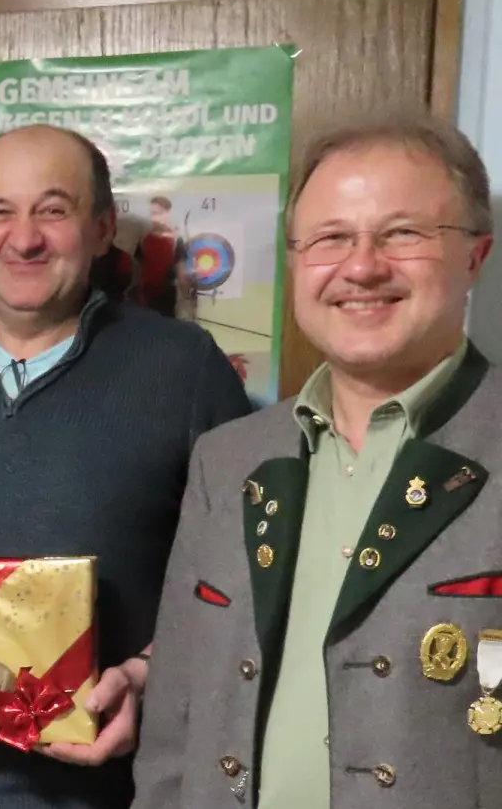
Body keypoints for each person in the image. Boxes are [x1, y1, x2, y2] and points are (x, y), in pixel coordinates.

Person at [0, 123, 253, 809]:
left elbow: (248, 575)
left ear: (103, 229)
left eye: (53, 210)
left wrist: (148, 677)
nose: (24, 238)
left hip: (109, 794)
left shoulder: (185, 369)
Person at [131, 117, 501, 808]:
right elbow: (174, 732)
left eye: (403, 233)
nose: (362, 266)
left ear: (475, 256)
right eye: (331, 238)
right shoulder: (228, 459)